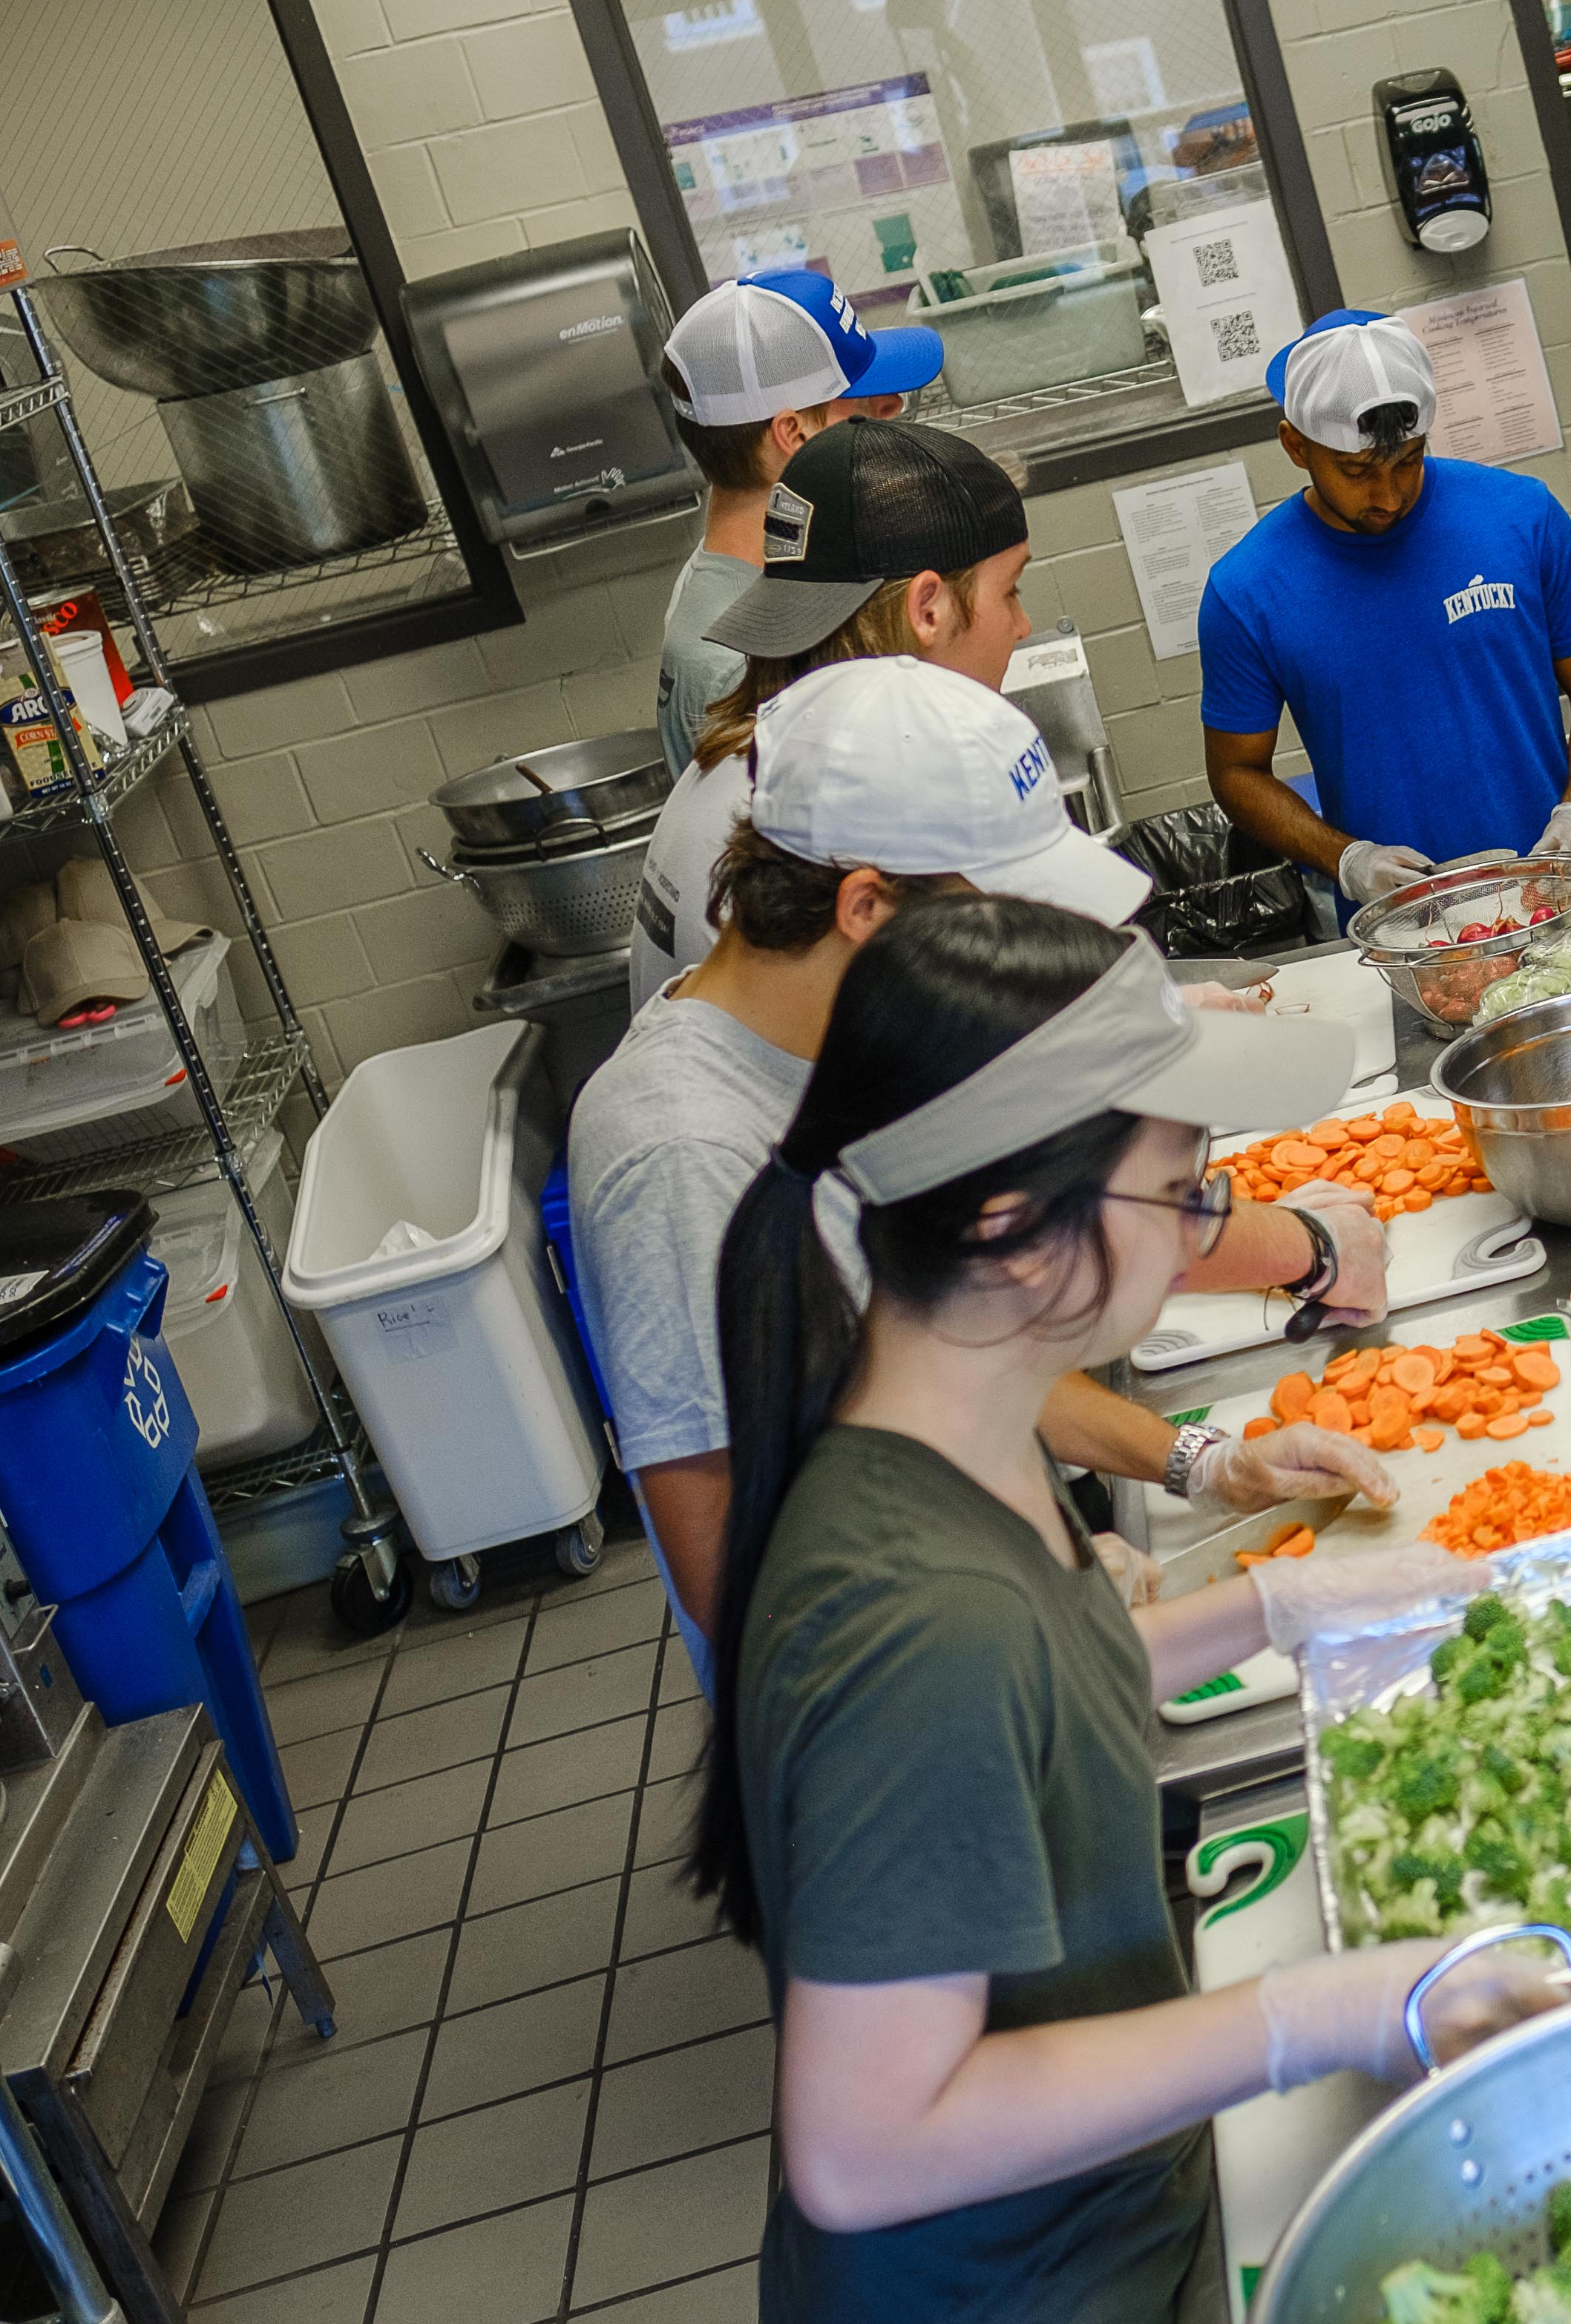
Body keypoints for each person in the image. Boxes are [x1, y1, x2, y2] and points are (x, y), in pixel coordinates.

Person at [695, 894, 1566, 2324]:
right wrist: (1321, 2011)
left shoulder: (960, 1426)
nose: (1207, 1230)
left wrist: (1274, 1610)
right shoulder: (904, 1619)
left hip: (1095, 2245)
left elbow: (1048, 1675)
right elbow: (865, 2147)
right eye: (1181, 1190)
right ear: (1018, 1228)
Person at [570, 659, 1390, 1670]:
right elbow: (732, 1578)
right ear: (866, 908)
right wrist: (1007, 1604)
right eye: (999, 913)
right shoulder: (682, 1154)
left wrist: (1200, 1462)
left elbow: (947, 1352)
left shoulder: (866, 1034)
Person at [1199, 312, 1571, 908]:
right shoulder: (1246, 590)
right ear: (1296, 446)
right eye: (1357, 471)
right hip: (1404, 926)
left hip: (1556, 888)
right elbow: (1236, 773)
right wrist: (1345, 858)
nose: (1390, 496)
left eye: (1409, 461)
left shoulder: (1520, 516)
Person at [628, 417, 1040, 999]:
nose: (1021, 627)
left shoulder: (730, 765)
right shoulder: (841, 823)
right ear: (929, 608)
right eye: (1010, 591)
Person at [649, 269, 945, 770]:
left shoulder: (771, 575)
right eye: (862, 398)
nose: (893, 407)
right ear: (794, 433)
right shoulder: (737, 660)